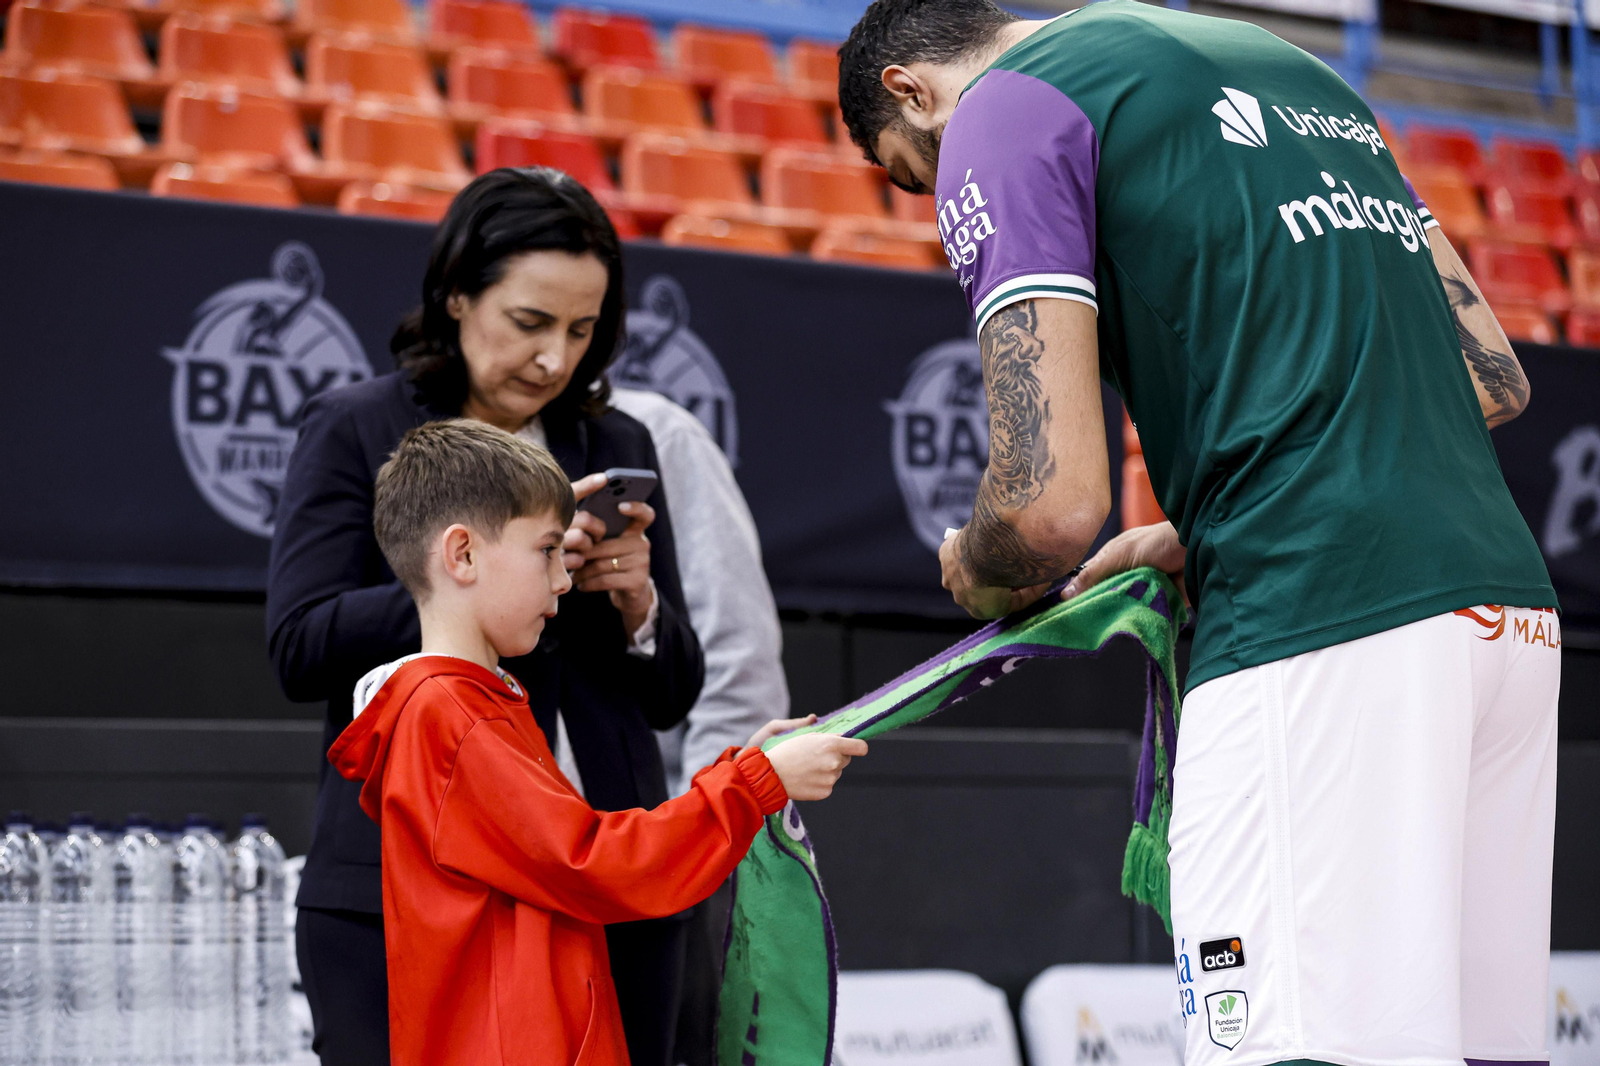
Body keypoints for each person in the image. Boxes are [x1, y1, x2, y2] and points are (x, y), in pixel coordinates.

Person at [837, 6, 1560, 1066]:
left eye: (917, 171)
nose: (941, 188)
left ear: (909, 90)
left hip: (1314, 616)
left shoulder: (1001, 110)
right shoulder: (1301, 76)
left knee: (1284, 1045)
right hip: (1502, 622)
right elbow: (1490, 376)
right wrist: (1199, 519)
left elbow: (1047, 508)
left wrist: (981, 565)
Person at [266, 167, 704, 1066]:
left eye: (582, 331)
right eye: (530, 323)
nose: (555, 360)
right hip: (406, 889)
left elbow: (670, 692)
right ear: (457, 296)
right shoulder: (357, 425)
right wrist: (473, 583)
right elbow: (300, 646)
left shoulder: (617, 441)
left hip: (607, 876)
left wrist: (637, 604)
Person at [325, 418, 865, 1066]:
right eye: (547, 550)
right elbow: (595, 864)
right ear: (462, 554)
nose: (563, 579)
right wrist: (755, 783)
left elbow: (577, 850)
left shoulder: (469, 703)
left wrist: (745, 769)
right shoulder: (452, 716)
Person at [609, 386, 789, 1066]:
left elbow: (738, 661)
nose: (545, 356)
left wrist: (697, 840)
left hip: (661, 861)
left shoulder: (656, 433)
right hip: (541, 867)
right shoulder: (435, 443)